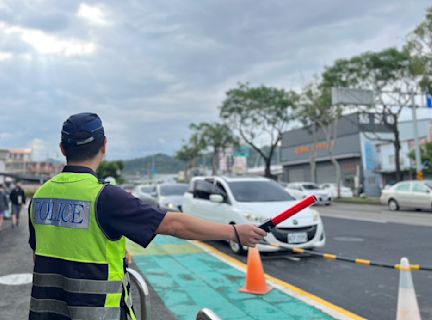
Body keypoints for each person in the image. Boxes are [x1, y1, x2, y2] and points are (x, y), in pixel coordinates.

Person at [28, 113, 266, 320]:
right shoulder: (104, 197)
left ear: (62, 149)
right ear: (104, 146)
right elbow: (174, 224)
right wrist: (235, 232)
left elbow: (45, 251)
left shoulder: (40, 196)